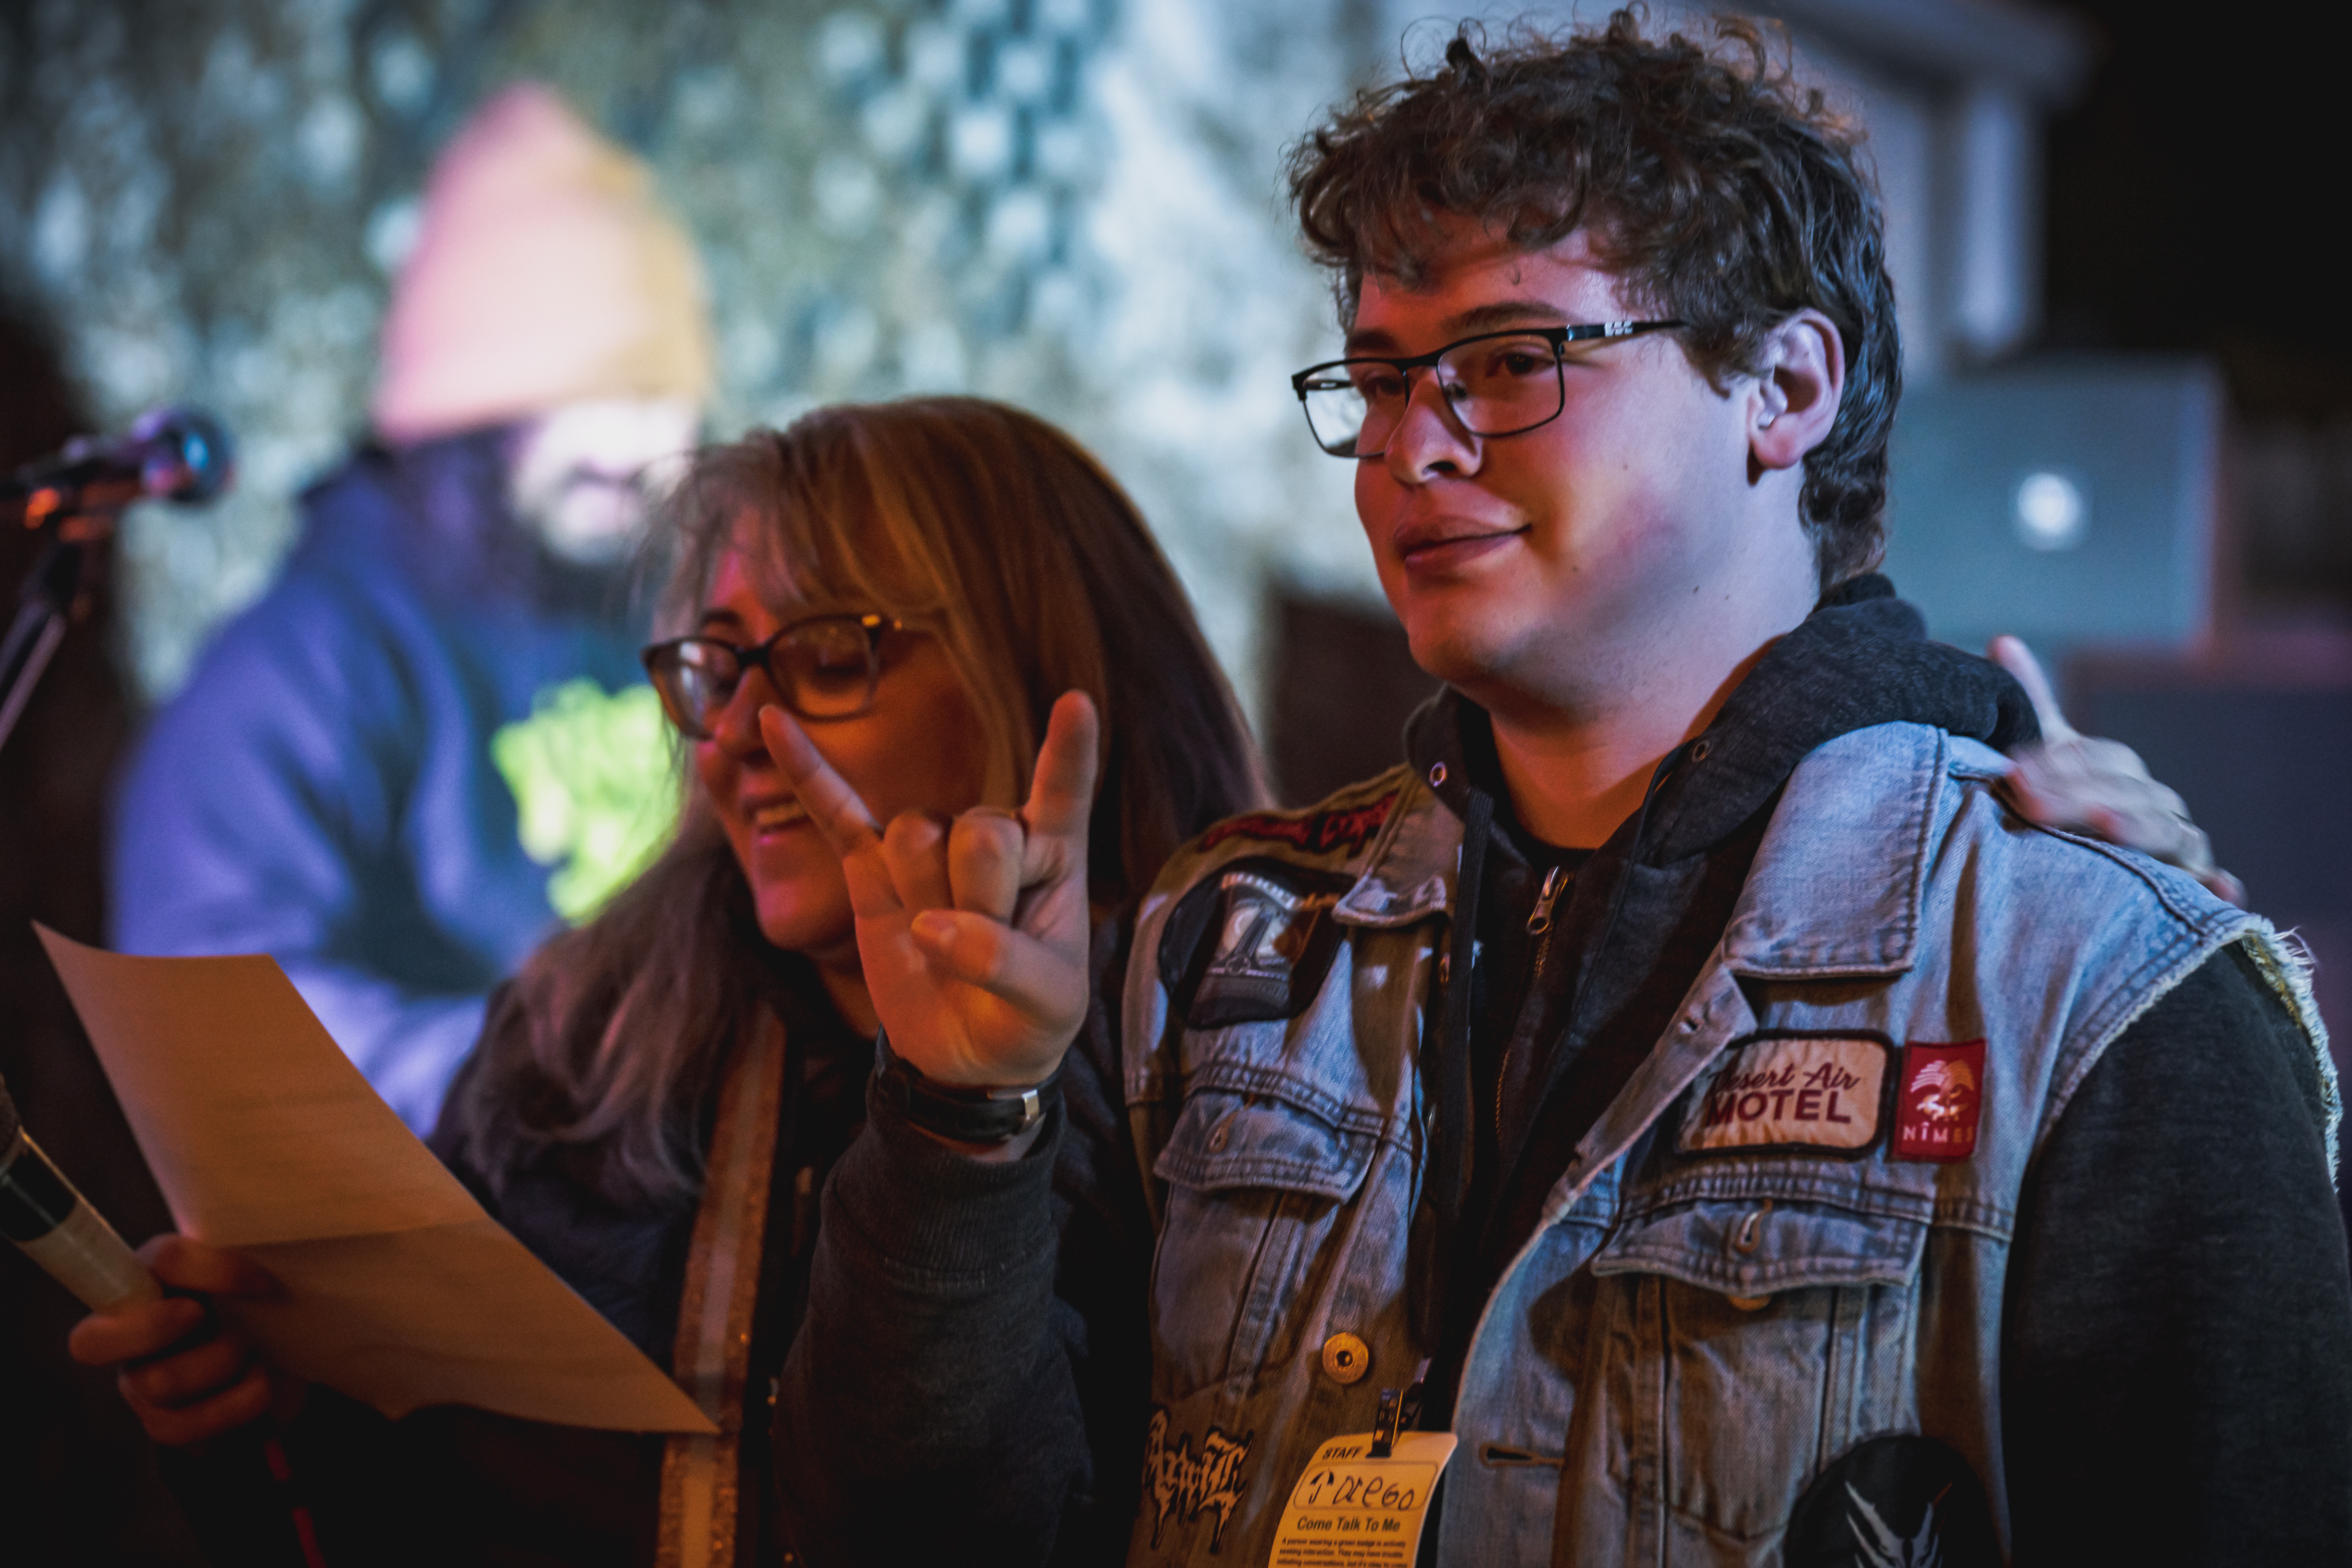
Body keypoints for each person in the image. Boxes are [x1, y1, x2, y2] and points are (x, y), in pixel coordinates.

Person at [769, 15, 2352, 1567]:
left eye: (1513, 360)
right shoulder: (1220, 942)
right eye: (1383, 381)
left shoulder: (2096, 986)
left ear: (1785, 390)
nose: (1414, 447)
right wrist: (959, 1125)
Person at [69, 400, 1260, 1566]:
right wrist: (271, 1429)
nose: (737, 731)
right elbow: (430, 1515)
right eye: (716, 666)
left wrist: (961, 1128)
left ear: (1050, 681)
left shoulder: (1236, 1068)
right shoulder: (580, 1045)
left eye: (829, 656)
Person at [110, 85, 708, 1131]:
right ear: (468, 414)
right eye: (584, 390)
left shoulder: (696, 602)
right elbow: (213, 1019)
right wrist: (553, 1079)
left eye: (661, 392)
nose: (632, 444)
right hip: (472, 1233)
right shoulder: (307, 667)